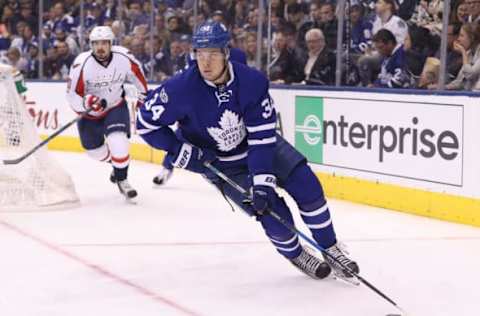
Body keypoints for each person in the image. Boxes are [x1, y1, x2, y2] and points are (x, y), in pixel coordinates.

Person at [137, 21, 359, 280]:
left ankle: (331, 248)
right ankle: (296, 254)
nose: (206, 62)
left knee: (306, 185)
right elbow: (145, 123)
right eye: (200, 54)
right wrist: (181, 151)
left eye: (213, 54)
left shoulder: (251, 82)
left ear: (226, 53)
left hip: (259, 147)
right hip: (220, 164)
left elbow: (263, 138)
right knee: (273, 215)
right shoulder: (179, 89)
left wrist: (262, 180)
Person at [66, 26, 148, 199]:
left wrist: (143, 97)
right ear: (91, 45)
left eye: (104, 43)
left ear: (111, 44)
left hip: (115, 106)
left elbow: (138, 75)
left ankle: (122, 179)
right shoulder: (82, 64)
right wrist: (88, 102)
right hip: (89, 116)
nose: (100, 47)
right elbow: (72, 95)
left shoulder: (123, 57)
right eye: (96, 44)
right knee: (94, 152)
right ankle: (118, 163)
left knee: (118, 141)